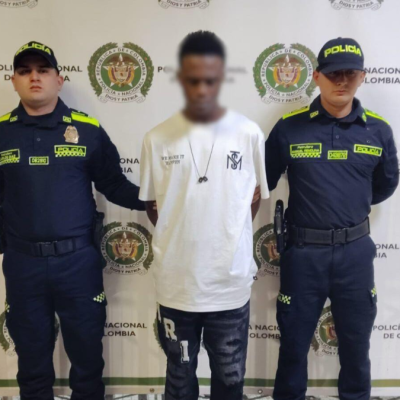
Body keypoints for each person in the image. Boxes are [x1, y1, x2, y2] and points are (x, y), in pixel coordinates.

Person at [0, 41, 145, 400]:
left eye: (43, 70)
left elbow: (113, 184)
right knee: (31, 360)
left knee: (87, 358)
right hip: (23, 264)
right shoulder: (1, 132)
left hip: (77, 263)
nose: (34, 77)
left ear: (59, 79)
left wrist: (157, 200)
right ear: (13, 81)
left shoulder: (88, 129)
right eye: (24, 71)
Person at [265, 37, 399, 400]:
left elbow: (385, 186)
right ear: (317, 77)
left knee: (356, 348)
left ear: (363, 77)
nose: (341, 81)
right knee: (293, 347)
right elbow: (263, 180)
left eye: (350, 74)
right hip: (303, 254)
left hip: (355, 255)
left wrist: (347, 210)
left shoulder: (378, 130)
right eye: (333, 73)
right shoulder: (289, 128)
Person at [139, 31, 269, 400]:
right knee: (179, 380)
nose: (201, 87)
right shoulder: (156, 138)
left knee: (230, 380)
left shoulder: (248, 134)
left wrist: (225, 231)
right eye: (193, 78)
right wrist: (184, 231)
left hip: (229, 284)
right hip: (177, 285)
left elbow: (251, 200)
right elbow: (153, 206)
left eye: (210, 78)